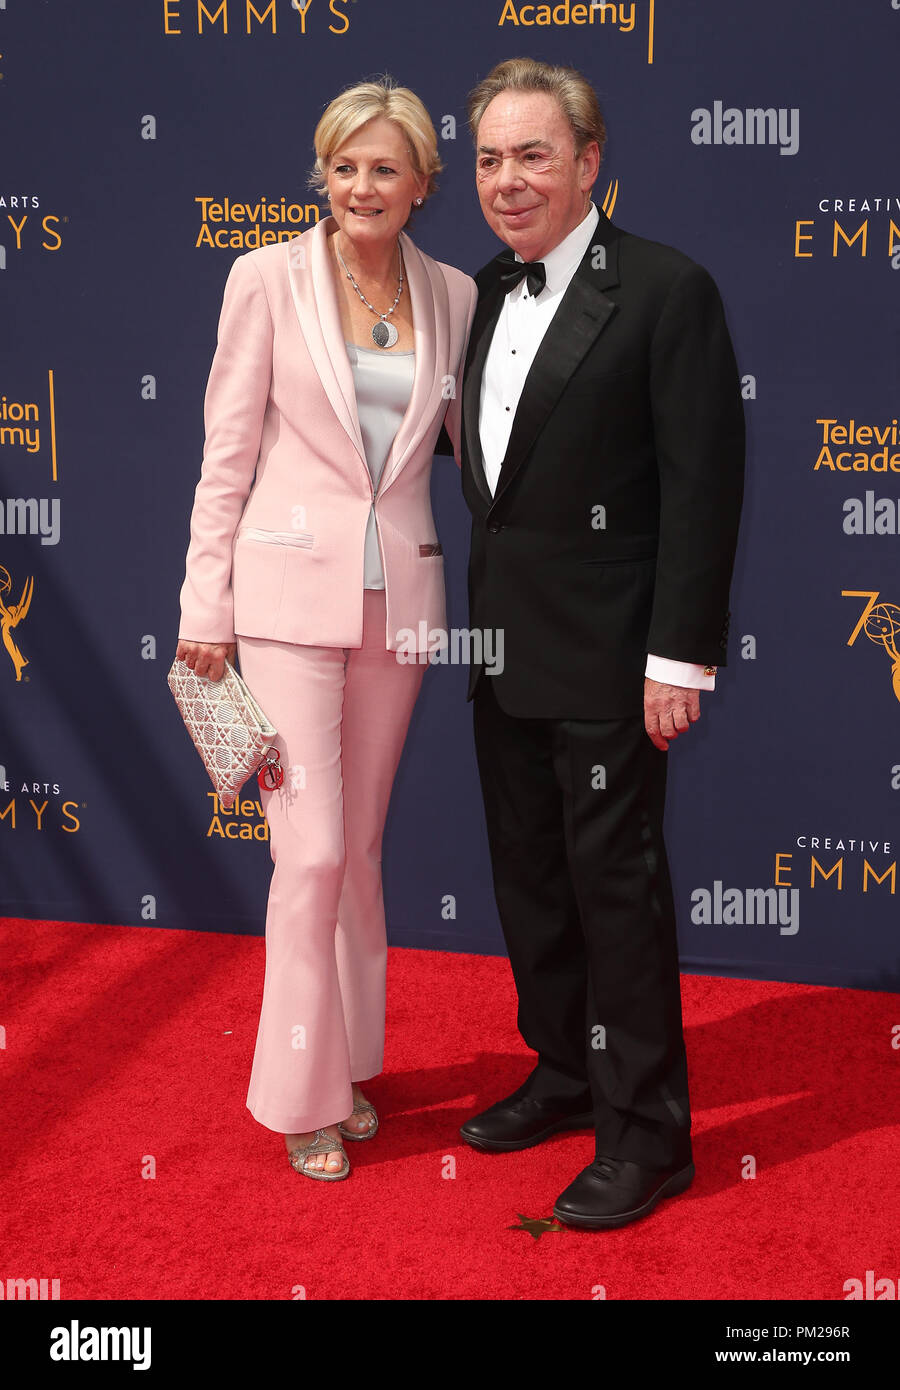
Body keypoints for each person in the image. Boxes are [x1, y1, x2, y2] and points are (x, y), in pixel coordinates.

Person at [454, 58, 745, 1229]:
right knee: (532, 887)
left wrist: (679, 656)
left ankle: (648, 1134)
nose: (506, 180)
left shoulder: (669, 291)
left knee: (615, 896)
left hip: (617, 661)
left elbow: (704, 483)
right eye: (486, 158)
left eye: (531, 155)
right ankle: (567, 1073)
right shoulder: (482, 291)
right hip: (503, 651)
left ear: (589, 161)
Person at [176, 79, 477, 1181]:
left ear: (421, 186)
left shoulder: (453, 294)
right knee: (304, 851)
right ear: (324, 173)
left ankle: (349, 1062)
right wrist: (202, 603)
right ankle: (299, 1088)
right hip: (284, 601)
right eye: (344, 166)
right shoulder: (263, 277)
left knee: (354, 850)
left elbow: (469, 445)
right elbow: (227, 453)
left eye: (384, 169)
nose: (361, 186)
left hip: (397, 603)